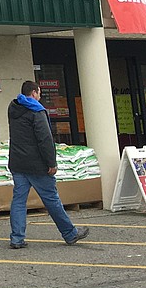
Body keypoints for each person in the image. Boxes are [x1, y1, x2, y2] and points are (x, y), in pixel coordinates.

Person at [7, 80, 89, 249]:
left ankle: (17, 238)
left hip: (18, 162)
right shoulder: (37, 112)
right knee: (52, 200)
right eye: (40, 93)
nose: (40, 97)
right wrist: (51, 163)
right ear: (34, 93)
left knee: (19, 201)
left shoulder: (13, 109)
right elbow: (45, 139)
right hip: (37, 165)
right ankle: (70, 233)